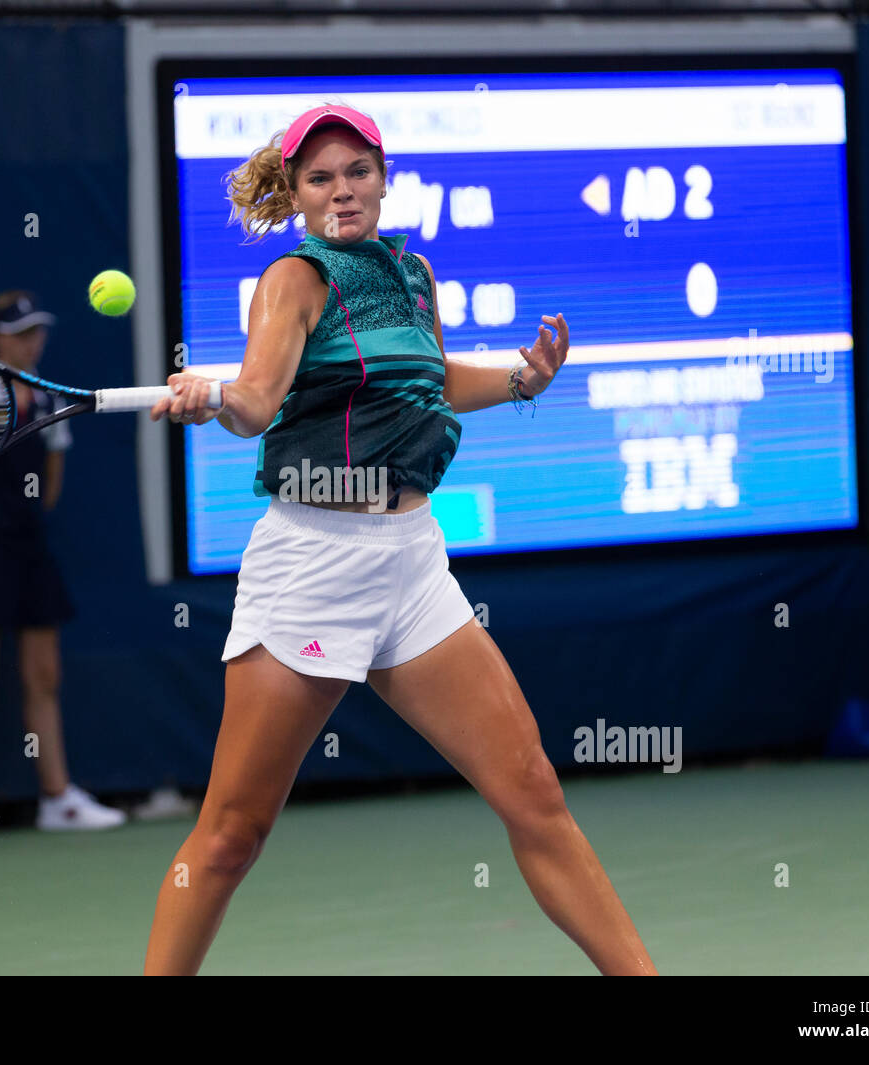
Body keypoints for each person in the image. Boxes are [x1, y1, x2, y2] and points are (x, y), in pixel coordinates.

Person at [144, 104, 657, 974]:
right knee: (233, 835)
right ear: (297, 194)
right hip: (311, 565)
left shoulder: (414, 275)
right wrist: (215, 398)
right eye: (319, 177)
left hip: (412, 565)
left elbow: (428, 382)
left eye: (356, 172)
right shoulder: (294, 281)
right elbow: (259, 400)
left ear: (384, 177)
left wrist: (522, 379)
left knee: (531, 791)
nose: (341, 191)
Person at [0, 292, 126, 838]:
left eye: (36, 331)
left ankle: (58, 797)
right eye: (18, 332)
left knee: (45, 673)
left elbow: (52, 480)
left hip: (30, 546)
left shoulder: (48, 395)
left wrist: (24, 526)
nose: (30, 341)